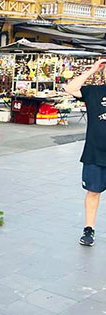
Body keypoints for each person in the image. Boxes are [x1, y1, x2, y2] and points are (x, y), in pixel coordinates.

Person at [65, 58, 106, 246]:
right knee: (93, 192)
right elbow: (70, 88)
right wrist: (92, 70)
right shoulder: (94, 91)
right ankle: (88, 229)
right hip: (95, 153)